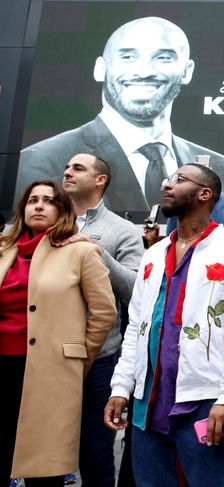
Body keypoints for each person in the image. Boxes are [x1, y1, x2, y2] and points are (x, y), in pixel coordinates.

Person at [103, 163, 224, 486]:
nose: (167, 184)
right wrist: (122, 386)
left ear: (205, 194)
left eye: (178, 180)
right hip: (148, 399)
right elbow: (136, 326)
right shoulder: (153, 254)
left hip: (206, 399)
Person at [16, 16, 224, 213]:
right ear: (101, 68)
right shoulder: (42, 160)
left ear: (187, 71)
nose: (144, 71)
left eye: (164, 57)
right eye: (128, 57)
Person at [0, 180, 116, 486]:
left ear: (63, 210)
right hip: (3, 364)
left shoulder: (81, 251)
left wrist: (78, 357)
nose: (38, 205)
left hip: (50, 372)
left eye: (48, 201)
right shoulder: (3, 250)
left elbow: (105, 313)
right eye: (32, 200)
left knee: (45, 469)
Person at [59, 154, 144, 487]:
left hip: (101, 356)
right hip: (49, 354)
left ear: (100, 180)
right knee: (48, 448)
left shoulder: (121, 230)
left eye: (78, 168)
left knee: (95, 453)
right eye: (67, 167)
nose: (67, 171)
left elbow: (137, 289)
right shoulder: (50, 220)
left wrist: (98, 252)